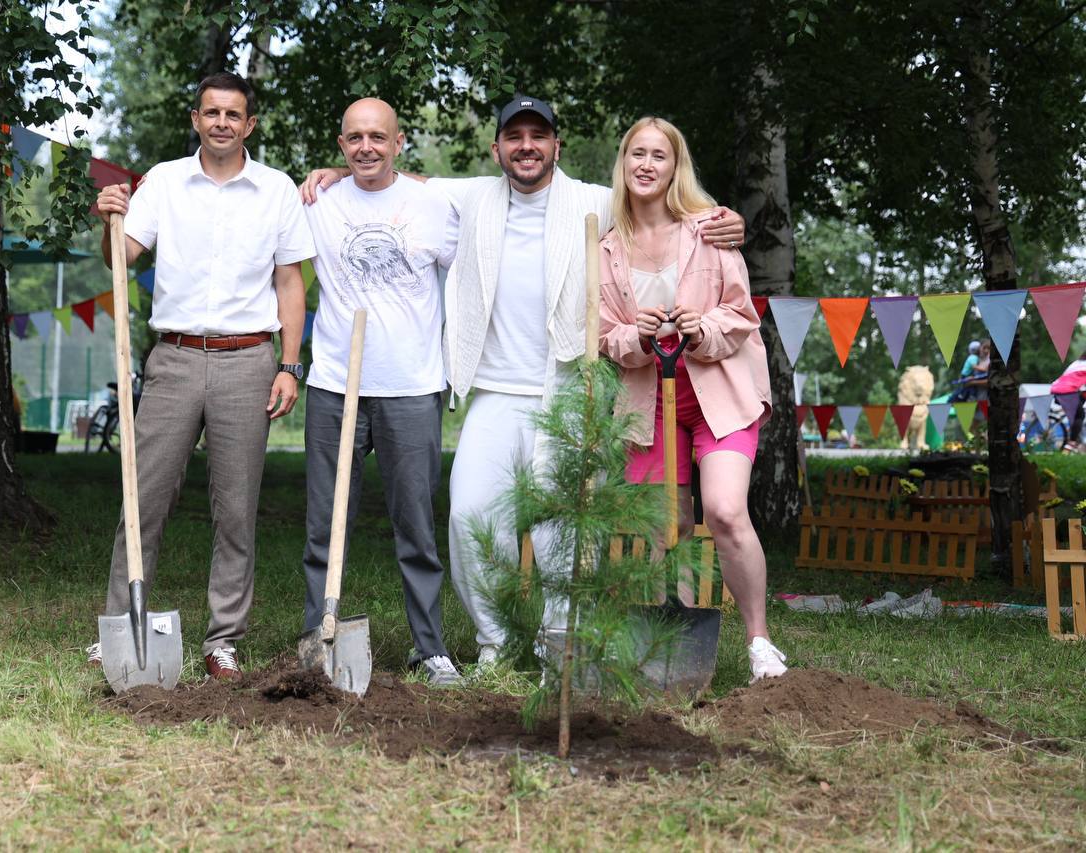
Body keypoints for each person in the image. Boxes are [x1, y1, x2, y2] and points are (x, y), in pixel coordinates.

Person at [303, 96, 745, 665]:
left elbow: (661, 203)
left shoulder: (595, 201)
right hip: (492, 389)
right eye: (515, 137)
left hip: (566, 386)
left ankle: (554, 642)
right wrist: (339, 170)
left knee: (562, 527)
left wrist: (722, 218)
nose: (527, 146)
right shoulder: (471, 197)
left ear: (556, 146)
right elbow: (391, 172)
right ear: (497, 149)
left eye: (539, 136)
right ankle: (498, 638)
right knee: (469, 514)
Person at [87, 71, 313, 679]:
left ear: (250, 124)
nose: (221, 123)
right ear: (195, 120)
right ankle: (118, 626)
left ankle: (223, 642)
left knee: (236, 510)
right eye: (211, 113)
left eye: (232, 115)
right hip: (176, 358)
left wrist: (291, 365)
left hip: (249, 360)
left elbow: (290, 281)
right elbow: (120, 257)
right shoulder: (162, 182)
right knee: (144, 498)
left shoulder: (276, 191)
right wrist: (106, 217)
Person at [597, 116, 785, 684]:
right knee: (663, 527)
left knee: (725, 512)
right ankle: (672, 641)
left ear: (676, 168)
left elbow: (741, 313)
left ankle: (759, 642)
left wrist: (698, 328)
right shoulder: (606, 248)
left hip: (716, 392)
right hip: (648, 397)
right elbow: (605, 335)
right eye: (637, 153)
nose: (647, 165)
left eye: (660, 155)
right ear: (623, 164)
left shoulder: (709, 232)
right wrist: (639, 335)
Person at [300, 98, 461, 686]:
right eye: (354, 139)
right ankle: (318, 637)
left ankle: (430, 647)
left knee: (415, 523)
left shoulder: (432, 205)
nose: (366, 147)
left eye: (378, 137)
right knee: (326, 522)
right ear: (340, 144)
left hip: (412, 387)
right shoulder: (317, 203)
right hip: (334, 386)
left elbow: (486, 239)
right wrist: (335, 177)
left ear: (399, 142)